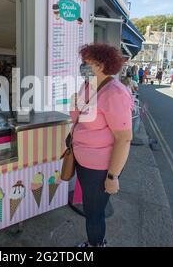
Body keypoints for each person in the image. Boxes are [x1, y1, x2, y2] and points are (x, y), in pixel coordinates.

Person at [71, 44, 133, 247]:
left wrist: (112, 177)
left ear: (102, 65)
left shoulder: (115, 93)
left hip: (100, 168)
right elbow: (80, 118)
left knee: (94, 213)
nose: (83, 66)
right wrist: (75, 105)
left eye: (87, 62)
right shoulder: (88, 86)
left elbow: (123, 139)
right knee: (90, 207)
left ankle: (96, 244)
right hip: (84, 161)